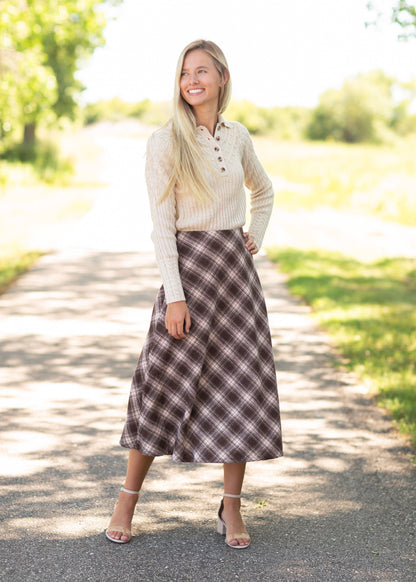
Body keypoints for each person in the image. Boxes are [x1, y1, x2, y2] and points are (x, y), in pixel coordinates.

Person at [105, 39, 282, 549]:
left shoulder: (239, 135)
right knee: (160, 384)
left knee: (241, 388)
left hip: (235, 277)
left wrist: (254, 234)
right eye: (185, 73)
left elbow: (264, 192)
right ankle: (125, 501)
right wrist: (175, 296)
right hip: (189, 274)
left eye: (202, 71)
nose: (192, 80)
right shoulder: (165, 141)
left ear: (222, 77)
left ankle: (231, 511)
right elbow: (162, 227)